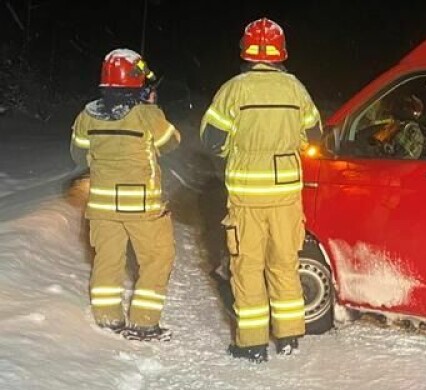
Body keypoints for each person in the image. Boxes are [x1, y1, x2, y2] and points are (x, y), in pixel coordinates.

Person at [199, 18, 323, 362]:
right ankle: (288, 338)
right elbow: (314, 136)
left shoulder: (234, 89)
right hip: (285, 196)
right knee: (284, 264)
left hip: (247, 197)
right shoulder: (296, 88)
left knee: (247, 268)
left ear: (246, 50)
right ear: (282, 53)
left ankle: (251, 344)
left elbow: (212, 141)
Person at [70, 49, 180, 339]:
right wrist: (152, 107)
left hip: (102, 206)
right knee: (157, 258)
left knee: (107, 260)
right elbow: (171, 143)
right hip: (142, 207)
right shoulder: (147, 114)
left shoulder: (87, 114)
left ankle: (107, 318)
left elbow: (78, 156)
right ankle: (144, 323)